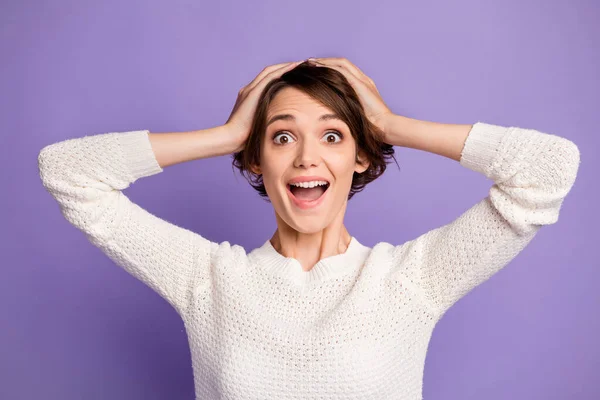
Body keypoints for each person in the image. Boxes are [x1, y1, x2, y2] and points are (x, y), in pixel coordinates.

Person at [37, 58, 581, 399]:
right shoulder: (206, 279)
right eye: (280, 138)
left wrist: (390, 125)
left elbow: (548, 170)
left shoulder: (411, 280)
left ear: (361, 157)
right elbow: (66, 172)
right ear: (257, 162)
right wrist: (227, 135)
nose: (305, 159)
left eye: (332, 136)